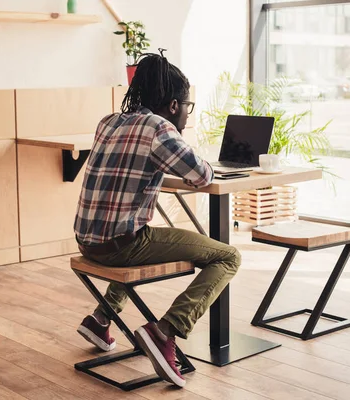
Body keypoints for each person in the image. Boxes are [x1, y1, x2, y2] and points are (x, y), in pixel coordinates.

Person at [74, 52, 241, 388]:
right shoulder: (158, 127)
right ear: (174, 104)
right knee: (227, 256)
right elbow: (201, 174)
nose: (186, 113)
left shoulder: (109, 121)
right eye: (187, 106)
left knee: (138, 234)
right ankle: (165, 331)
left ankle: (101, 318)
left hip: (88, 241)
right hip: (121, 245)